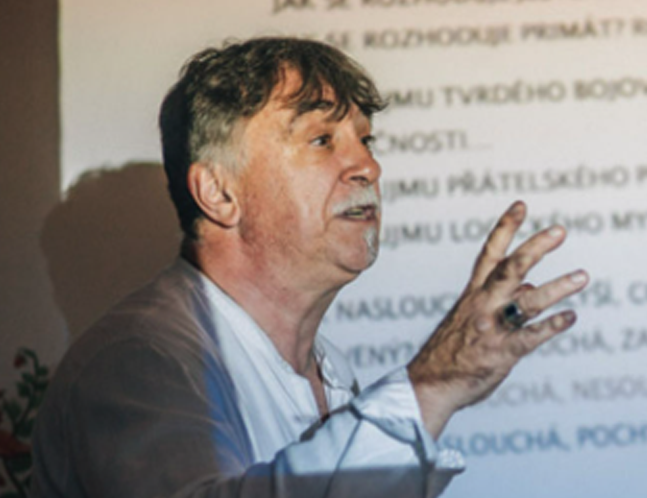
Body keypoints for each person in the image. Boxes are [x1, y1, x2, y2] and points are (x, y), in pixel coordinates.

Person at [31, 37, 589, 498]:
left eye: (365, 140)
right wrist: (433, 383)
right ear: (219, 193)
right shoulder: (138, 360)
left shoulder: (330, 367)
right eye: (322, 140)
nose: (367, 166)